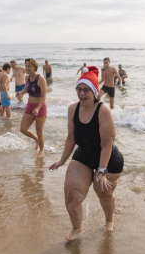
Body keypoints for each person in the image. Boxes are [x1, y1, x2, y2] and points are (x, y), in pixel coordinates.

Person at [49, 66, 124, 241]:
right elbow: (71, 138)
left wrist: (102, 171)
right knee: (71, 195)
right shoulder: (72, 109)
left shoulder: (103, 110)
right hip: (83, 157)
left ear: (94, 91)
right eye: (79, 89)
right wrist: (62, 161)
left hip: (109, 161)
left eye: (86, 90)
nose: (81, 93)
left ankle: (109, 220)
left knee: (103, 192)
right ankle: (76, 228)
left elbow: (107, 144)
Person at [17, 58, 47, 157]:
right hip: (29, 106)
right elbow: (27, 88)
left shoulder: (41, 79)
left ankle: (41, 151)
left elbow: (44, 96)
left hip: (40, 107)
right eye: (26, 66)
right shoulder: (27, 78)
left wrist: (38, 108)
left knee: (39, 132)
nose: (27, 68)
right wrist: (20, 93)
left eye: (29, 66)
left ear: (34, 66)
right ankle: (36, 140)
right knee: (23, 129)